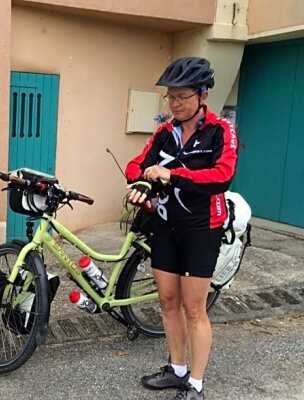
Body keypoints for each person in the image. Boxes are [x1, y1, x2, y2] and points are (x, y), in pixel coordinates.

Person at [125, 57, 238, 400]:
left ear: (203, 95)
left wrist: (172, 175)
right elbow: (137, 164)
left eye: (183, 96)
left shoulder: (221, 130)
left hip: (202, 228)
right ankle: (176, 370)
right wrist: (140, 183)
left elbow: (222, 176)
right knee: (167, 301)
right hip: (165, 225)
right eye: (171, 97)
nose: (175, 103)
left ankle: (196, 384)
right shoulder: (164, 133)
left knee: (193, 308)